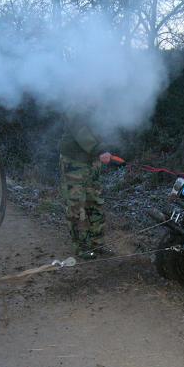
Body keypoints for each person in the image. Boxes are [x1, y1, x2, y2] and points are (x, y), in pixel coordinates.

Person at [58, 108, 114, 259]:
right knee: (76, 204)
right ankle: (82, 247)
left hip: (92, 161)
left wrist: (103, 148)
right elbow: (79, 127)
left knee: (95, 201)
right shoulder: (75, 98)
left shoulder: (99, 97)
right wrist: (99, 149)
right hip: (74, 162)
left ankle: (98, 244)